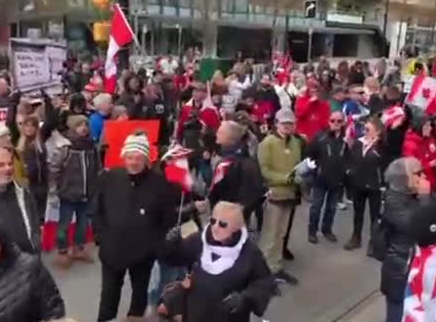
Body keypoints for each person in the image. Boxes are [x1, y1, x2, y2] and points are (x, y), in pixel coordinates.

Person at [92, 133, 177, 322]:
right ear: (123, 157)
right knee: (108, 295)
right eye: (129, 157)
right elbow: (97, 210)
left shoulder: (160, 184)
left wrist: (154, 246)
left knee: (139, 294)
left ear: (146, 158)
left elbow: (167, 220)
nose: (133, 162)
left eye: (138, 157)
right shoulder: (110, 177)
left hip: (142, 255)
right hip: (112, 250)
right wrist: (102, 237)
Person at [161, 201, 274, 322]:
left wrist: (245, 298)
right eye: (213, 221)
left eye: (223, 224)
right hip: (196, 314)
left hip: (229, 317)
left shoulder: (249, 251)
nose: (215, 227)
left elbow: (264, 282)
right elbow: (175, 259)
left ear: (236, 227)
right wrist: (172, 245)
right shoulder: (199, 240)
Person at [380, 157, 431, 322]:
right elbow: (416, 225)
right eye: (419, 173)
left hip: (414, 271)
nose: (424, 176)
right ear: (404, 178)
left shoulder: (415, 197)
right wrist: (425, 198)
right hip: (400, 274)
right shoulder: (393, 201)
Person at [257, 109, 302, 285]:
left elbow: (297, 165)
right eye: (284, 123)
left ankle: (275, 267)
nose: (288, 126)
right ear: (276, 123)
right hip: (274, 194)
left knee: (281, 233)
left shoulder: (296, 142)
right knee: (270, 234)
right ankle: (263, 272)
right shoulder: (267, 143)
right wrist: (285, 178)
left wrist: (301, 175)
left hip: (290, 194)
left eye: (290, 123)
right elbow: (264, 170)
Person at [49, 115, 100, 268]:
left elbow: (98, 168)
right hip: (68, 194)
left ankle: (79, 249)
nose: (83, 127)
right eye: (79, 125)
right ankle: (63, 252)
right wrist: (53, 191)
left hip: (87, 194)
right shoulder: (66, 148)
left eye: (85, 124)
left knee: (83, 224)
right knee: (63, 226)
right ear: (72, 127)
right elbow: (54, 169)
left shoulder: (92, 146)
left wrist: (96, 189)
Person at [210, 121, 266, 222]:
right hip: (240, 212)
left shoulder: (226, 163)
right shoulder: (247, 157)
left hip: (228, 214)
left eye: (220, 132)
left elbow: (215, 192)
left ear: (229, 137)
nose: (216, 134)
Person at [307, 111, 350, 244]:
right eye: (333, 120)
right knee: (316, 207)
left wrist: (346, 173)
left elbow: (349, 158)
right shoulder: (320, 137)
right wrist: (315, 172)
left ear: (343, 123)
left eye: (339, 121)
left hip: (337, 180)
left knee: (331, 208)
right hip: (320, 179)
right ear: (328, 121)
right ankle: (312, 231)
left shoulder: (346, 139)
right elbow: (310, 155)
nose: (335, 124)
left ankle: (327, 230)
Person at [344, 118, 386, 252]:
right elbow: (351, 159)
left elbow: (384, 164)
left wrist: (375, 145)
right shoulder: (358, 143)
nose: (365, 131)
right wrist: (350, 172)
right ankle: (356, 238)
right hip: (359, 184)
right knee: (358, 213)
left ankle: (373, 243)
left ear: (377, 131)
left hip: (374, 186)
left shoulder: (381, 146)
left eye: (368, 129)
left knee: (375, 215)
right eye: (365, 129)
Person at [402, 115, 436, 191]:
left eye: (430, 125)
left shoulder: (430, 138)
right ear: (420, 127)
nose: (430, 128)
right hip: (421, 185)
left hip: (434, 181)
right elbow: (412, 168)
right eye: (427, 126)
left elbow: (435, 155)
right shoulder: (410, 145)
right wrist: (429, 164)